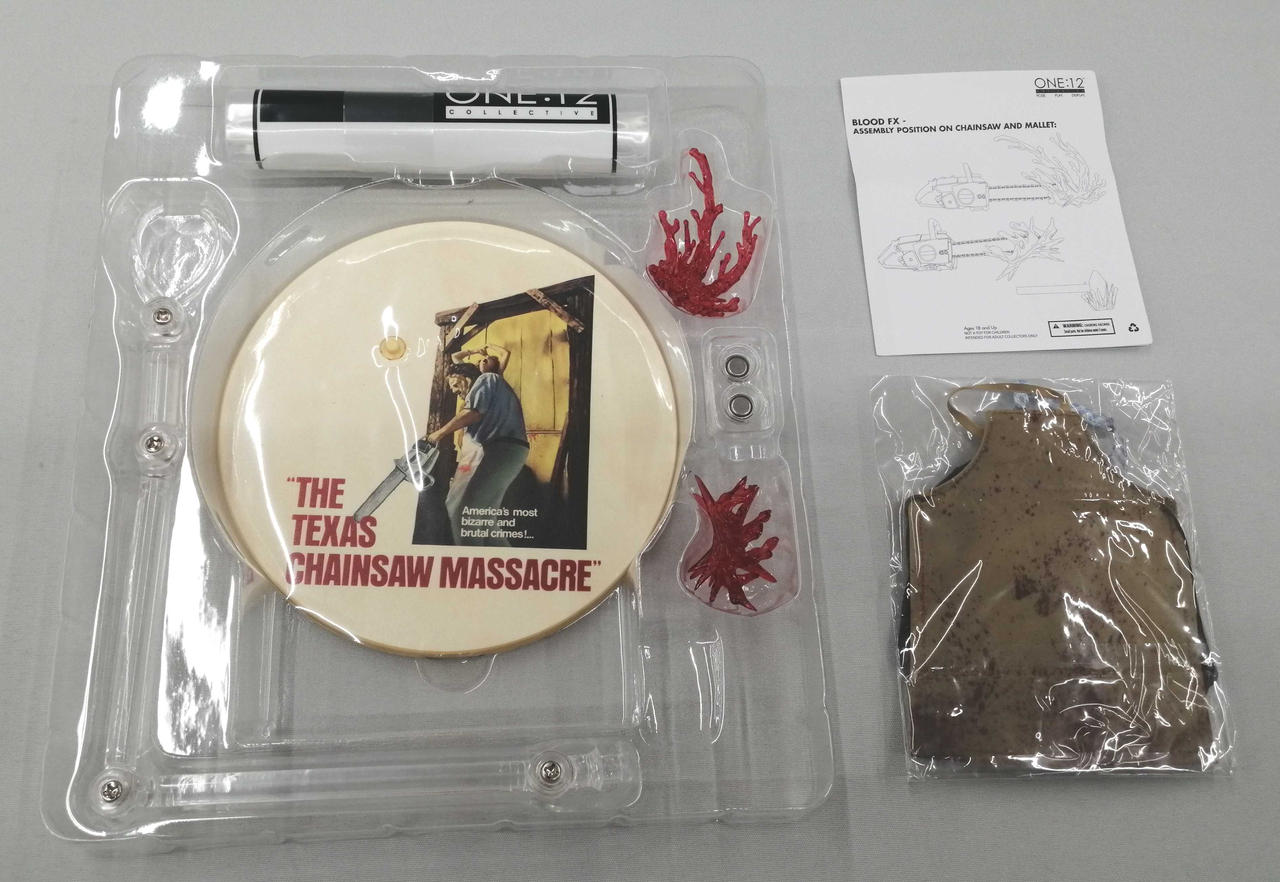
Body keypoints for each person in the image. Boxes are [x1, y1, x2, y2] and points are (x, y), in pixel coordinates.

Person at [426, 361, 528, 546]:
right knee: (486, 519)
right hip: (508, 449)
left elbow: (473, 413)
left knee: (461, 511)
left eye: (455, 384)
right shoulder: (492, 388)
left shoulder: (486, 379)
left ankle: (468, 558)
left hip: (501, 448)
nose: (454, 391)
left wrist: (437, 434)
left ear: (466, 377)